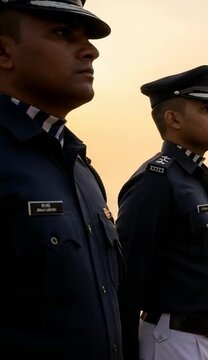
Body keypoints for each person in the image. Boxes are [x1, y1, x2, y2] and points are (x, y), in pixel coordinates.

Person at [0, 2, 122, 358]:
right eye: (62, 33)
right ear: (4, 52)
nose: (91, 50)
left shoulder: (78, 165)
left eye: (87, 38)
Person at [117, 65, 208, 360]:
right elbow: (128, 277)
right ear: (174, 119)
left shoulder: (195, 179)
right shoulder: (157, 180)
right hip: (174, 340)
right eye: (206, 109)